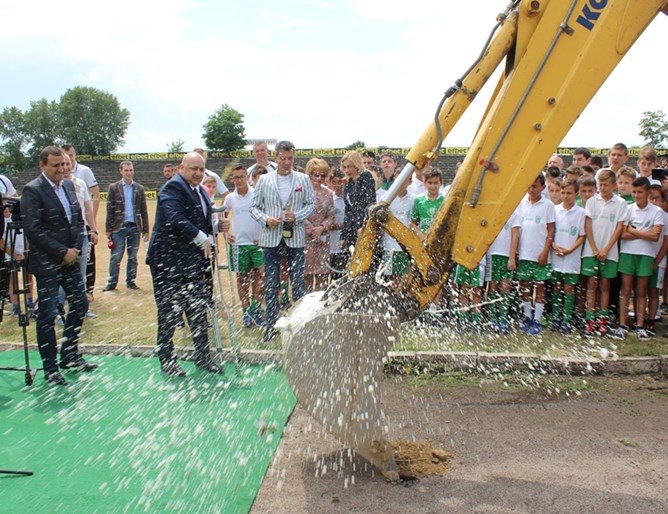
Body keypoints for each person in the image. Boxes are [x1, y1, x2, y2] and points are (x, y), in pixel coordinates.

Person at [21, 146, 97, 385]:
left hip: (71, 260)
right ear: (42, 165)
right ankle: (50, 367)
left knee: (80, 303)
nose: (63, 169)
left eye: (65, 164)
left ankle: (70, 354)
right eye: (56, 165)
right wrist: (61, 251)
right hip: (47, 263)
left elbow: (76, 220)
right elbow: (34, 230)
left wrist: (74, 249)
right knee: (47, 315)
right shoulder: (32, 190)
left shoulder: (67, 185)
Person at [146, 152, 223, 376]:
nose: (198, 173)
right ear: (182, 167)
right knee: (169, 313)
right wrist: (202, 238)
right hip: (167, 264)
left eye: (201, 169)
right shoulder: (172, 188)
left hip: (191, 263)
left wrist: (217, 227)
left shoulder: (199, 190)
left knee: (198, 311)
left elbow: (201, 222)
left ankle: (203, 357)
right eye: (194, 169)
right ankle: (167, 360)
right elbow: (175, 218)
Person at [249, 140, 315, 342]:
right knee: (271, 283)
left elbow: (311, 204)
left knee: (298, 283)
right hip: (271, 238)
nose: (286, 162)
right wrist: (266, 220)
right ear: (276, 158)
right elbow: (254, 207)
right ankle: (270, 327)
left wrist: (297, 216)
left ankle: (300, 326)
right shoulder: (264, 180)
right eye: (283, 158)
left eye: (290, 159)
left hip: (295, 237)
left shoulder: (303, 179)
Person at [614, 177, 664, 340]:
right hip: (628, 253)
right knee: (626, 289)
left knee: (642, 290)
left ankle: (640, 325)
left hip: (646, 255)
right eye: (634, 192)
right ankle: (622, 325)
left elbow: (655, 237)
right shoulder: (628, 209)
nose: (636, 195)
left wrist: (634, 231)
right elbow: (622, 234)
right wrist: (645, 233)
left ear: (648, 193)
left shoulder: (656, 212)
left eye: (640, 192)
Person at [581, 169, 628, 336]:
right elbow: (587, 225)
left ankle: (602, 320)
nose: (603, 188)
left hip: (610, 252)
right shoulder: (592, 201)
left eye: (606, 185)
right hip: (591, 251)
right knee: (591, 285)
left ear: (614, 185)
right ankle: (589, 320)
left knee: (605, 285)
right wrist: (594, 248)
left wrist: (606, 249)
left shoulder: (621, 203)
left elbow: (619, 228)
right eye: (600, 185)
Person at [222, 164, 265, 328]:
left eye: (242, 176)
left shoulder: (257, 194)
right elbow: (222, 216)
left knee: (262, 277)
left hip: (257, 245)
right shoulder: (230, 199)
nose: (239, 180)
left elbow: (267, 214)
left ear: (247, 177)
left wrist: (263, 237)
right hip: (239, 245)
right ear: (232, 179)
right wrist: (226, 233)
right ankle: (246, 312)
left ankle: (256, 309)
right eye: (236, 177)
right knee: (242, 279)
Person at [516, 174, 556, 335]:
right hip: (524, 252)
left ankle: (537, 319)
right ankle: (526, 316)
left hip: (540, 253)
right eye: (529, 186)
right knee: (525, 286)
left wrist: (545, 251)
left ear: (542, 187)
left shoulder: (548, 205)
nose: (532, 190)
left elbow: (551, 229)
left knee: (540, 286)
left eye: (535, 186)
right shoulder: (521, 203)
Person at [103, 161, 149, 291]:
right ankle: (112, 282)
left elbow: (144, 211)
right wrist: (108, 229)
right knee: (116, 256)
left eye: (131, 170)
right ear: (121, 171)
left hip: (134, 227)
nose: (129, 173)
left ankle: (131, 281)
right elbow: (110, 208)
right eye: (126, 170)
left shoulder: (139, 188)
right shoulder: (114, 187)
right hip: (119, 227)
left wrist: (146, 230)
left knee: (133, 257)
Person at [62, 144, 100, 299]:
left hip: (82, 232)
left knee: (82, 270)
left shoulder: (81, 181)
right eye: (63, 162)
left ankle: (81, 303)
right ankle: (62, 305)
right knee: (63, 271)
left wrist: (93, 229)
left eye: (69, 160)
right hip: (63, 234)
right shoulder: (56, 185)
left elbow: (88, 208)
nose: (66, 165)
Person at [549, 180, 586, 335]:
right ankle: (555, 317)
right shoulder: (554, 210)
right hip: (556, 254)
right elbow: (549, 231)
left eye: (569, 193)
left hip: (571, 257)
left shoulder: (581, 213)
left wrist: (571, 249)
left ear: (576, 194)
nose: (565, 196)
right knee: (557, 286)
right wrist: (553, 245)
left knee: (569, 287)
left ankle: (566, 319)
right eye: (563, 192)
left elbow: (582, 235)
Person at [485, 209, 520, 334]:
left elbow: (515, 235)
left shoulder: (514, 213)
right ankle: (493, 318)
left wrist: (511, 257)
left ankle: (503, 318)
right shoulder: (493, 211)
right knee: (493, 286)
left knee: (505, 287)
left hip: (506, 255)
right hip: (492, 254)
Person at [304, 158, 334, 292]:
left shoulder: (328, 193)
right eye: (316, 174)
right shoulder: (301, 190)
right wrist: (311, 229)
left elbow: (331, 215)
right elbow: (297, 212)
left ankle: (320, 302)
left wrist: (322, 228)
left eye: (323, 175)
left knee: (323, 273)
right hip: (305, 237)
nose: (319, 178)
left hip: (323, 238)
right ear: (310, 174)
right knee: (307, 274)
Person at [340, 150, 376, 253]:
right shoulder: (348, 184)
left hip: (364, 227)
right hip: (352, 228)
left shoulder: (366, 177)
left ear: (357, 165)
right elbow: (348, 211)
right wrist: (344, 235)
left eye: (349, 166)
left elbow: (370, 203)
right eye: (345, 167)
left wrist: (363, 225)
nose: (347, 170)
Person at [328, 169, 347, 281]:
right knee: (334, 275)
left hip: (344, 241)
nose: (337, 185)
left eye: (339, 182)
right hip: (332, 243)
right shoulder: (330, 198)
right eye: (334, 182)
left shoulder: (348, 198)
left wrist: (343, 226)